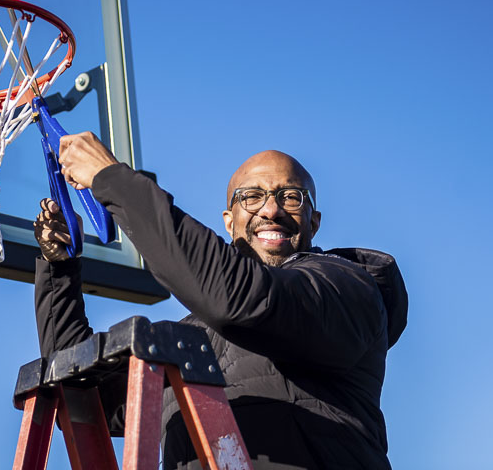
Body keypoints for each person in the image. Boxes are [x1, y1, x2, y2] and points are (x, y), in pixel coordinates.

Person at [33, 132, 408, 470]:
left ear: (314, 222)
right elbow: (79, 391)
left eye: (290, 197)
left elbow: (246, 299)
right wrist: (59, 269)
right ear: (229, 221)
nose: (271, 210)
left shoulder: (343, 286)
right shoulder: (189, 337)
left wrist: (111, 178)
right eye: (252, 196)